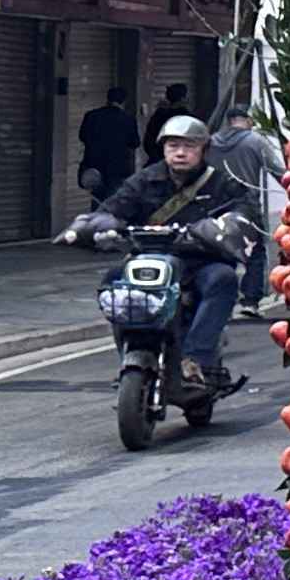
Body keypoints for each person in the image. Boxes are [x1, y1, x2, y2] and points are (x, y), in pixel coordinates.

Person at [64, 114, 250, 392]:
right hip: (149, 259)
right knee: (113, 283)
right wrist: (96, 227)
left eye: (189, 146)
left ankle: (195, 360)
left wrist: (224, 228)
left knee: (223, 279)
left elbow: (244, 212)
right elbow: (115, 207)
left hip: (199, 263)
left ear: (203, 150)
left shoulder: (221, 184)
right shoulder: (144, 180)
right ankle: (127, 355)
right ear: (163, 148)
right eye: (173, 145)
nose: (180, 152)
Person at [207, 105, 285, 316]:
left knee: (219, 252)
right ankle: (249, 301)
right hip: (246, 205)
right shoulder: (255, 141)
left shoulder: (211, 141)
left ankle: (219, 301)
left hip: (214, 206)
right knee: (255, 252)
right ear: (248, 120)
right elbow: (279, 172)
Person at [74, 85, 139, 209]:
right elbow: (135, 143)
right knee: (114, 201)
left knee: (97, 199)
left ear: (107, 99)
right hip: (118, 169)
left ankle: (97, 224)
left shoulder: (92, 116)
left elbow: (83, 136)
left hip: (94, 166)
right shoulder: (128, 119)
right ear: (124, 101)